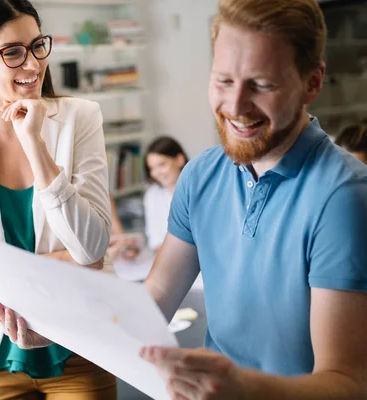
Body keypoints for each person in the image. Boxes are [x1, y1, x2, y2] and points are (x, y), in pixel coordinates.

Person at [140, 0, 367, 399]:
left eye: (261, 85)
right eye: (224, 81)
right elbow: (157, 295)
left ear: (313, 83)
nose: (236, 106)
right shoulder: (199, 174)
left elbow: (347, 383)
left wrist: (244, 388)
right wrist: (59, 328)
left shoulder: (344, 197)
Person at [0, 0, 116, 398]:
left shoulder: (81, 118)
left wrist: (34, 143)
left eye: (37, 46)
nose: (32, 64)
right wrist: (58, 266)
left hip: (80, 348)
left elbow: (91, 246)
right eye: (12, 52)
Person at [142, 136, 188, 252]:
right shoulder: (152, 195)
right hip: (168, 259)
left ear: (179, 160)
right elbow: (155, 240)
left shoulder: (199, 191)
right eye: (151, 168)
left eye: (161, 165)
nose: (156, 173)